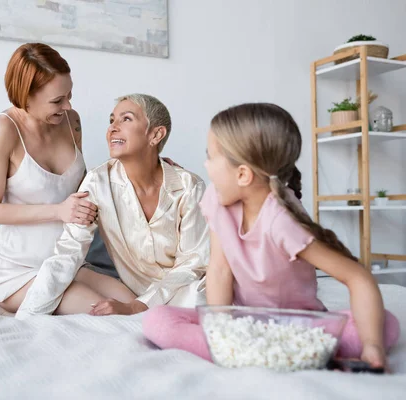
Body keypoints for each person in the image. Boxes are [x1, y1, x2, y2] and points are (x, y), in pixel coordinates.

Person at [142, 103, 400, 369]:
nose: (205, 165)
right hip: (243, 322)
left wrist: (372, 346)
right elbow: (219, 270)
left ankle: (276, 351)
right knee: (157, 320)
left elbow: (357, 277)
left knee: (386, 323)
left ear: (242, 173)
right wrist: (221, 332)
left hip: (297, 325)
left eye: (210, 157)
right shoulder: (217, 200)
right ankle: (279, 354)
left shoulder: (281, 221)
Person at [15, 94, 210, 319]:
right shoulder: (97, 183)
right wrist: (25, 319)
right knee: (74, 274)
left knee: (201, 299)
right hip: (131, 290)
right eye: (111, 121)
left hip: (184, 290)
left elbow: (193, 265)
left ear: (156, 134)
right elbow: (69, 252)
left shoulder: (189, 186)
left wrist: (137, 307)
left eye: (126, 119)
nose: (112, 128)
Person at [0, 43, 132, 315]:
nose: (67, 105)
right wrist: (59, 211)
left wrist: (147, 168)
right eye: (57, 100)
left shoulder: (71, 121)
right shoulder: (2, 129)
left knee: (134, 304)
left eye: (69, 95)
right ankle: (3, 304)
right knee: (104, 312)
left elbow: (86, 188)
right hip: (19, 272)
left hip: (67, 262)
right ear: (26, 96)